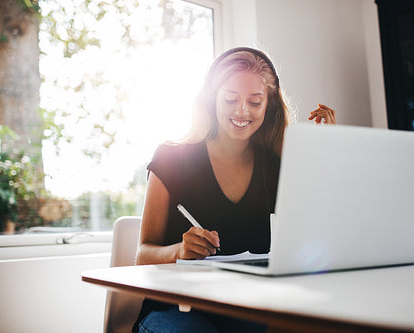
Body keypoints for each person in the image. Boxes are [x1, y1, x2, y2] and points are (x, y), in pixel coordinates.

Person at [133, 47, 336, 333]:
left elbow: (317, 233)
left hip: (245, 307)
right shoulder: (171, 157)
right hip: (174, 310)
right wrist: (179, 250)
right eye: (230, 99)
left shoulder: (275, 165)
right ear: (212, 99)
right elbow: (143, 254)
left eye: (255, 101)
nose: (242, 111)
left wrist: (326, 153)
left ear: (270, 106)